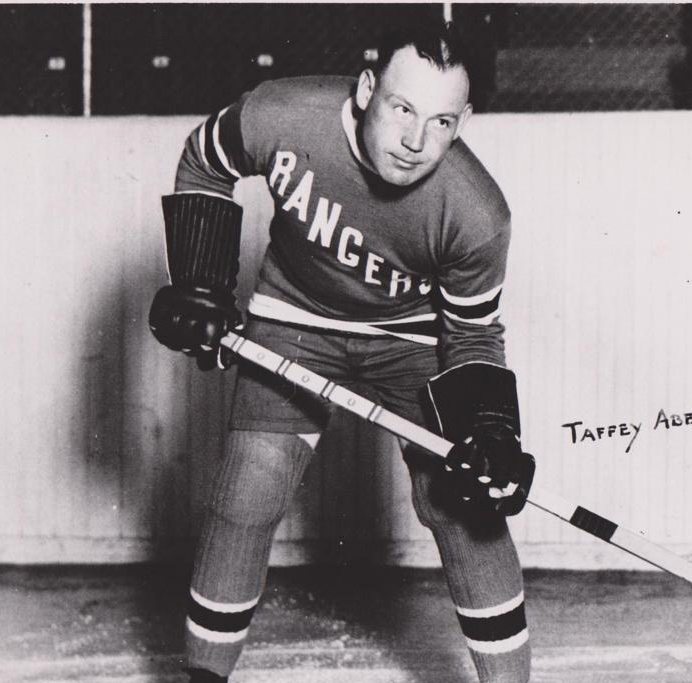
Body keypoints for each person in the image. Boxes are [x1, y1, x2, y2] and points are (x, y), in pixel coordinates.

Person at [148, 19, 536, 683]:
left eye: (442, 122)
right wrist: (203, 283)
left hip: (410, 336)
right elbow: (205, 160)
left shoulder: (476, 213)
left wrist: (490, 429)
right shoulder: (282, 114)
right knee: (251, 484)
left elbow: (470, 332)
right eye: (403, 109)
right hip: (295, 314)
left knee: (463, 501)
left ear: (464, 121)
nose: (417, 142)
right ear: (365, 90)